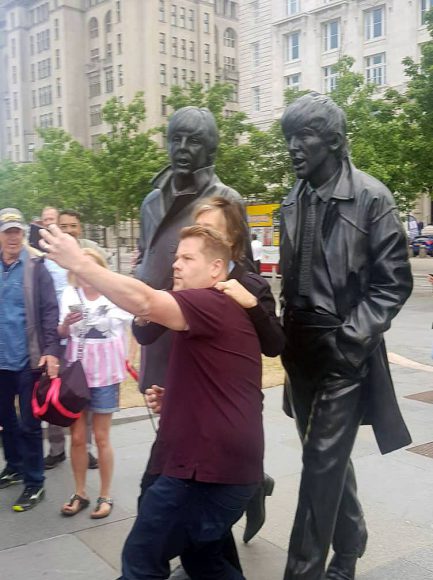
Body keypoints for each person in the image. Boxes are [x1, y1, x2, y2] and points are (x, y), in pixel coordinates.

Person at [40, 223, 264, 579]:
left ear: (216, 269)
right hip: (226, 471)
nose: (176, 265)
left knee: (142, 561)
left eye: (187, 258)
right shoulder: (216, 310)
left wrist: (81, 264)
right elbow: (227, 380)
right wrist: (177, 398)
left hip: (205, 473)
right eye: (176, 258)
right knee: (206, 563)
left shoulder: (210, 301)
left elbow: (143, 300)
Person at [279, 93, 413, 580]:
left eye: (304, 137)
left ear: (333, 141)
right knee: (326, 458)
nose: (293, 148)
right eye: (288, 138)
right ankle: (351, 539)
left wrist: (349, 341)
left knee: (318, 466)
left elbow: (394, 283)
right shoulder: (292, 197)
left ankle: (303, 572)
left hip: (343, 350)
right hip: (299, 351)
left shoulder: (372, 198)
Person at [134, 196, 285, 578]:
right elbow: (147, 332)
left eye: (212, 228)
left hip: (226, 417)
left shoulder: (249, 283)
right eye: (198, 224)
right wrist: (145, 306)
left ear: (231, 239)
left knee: (192, 522)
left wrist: (252, 305)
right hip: (185, 408)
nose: (202, 234)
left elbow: (275, 345)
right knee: (189, 524)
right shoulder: (187, 273)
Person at [134, 105, 252, 393]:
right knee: (165, 426)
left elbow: (244, 271)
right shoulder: (151, 201)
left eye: (194, 141)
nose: (183, 148)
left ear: (210, 150)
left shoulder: (225, 200)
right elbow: (143, 253)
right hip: (155, 331)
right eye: (177, 139)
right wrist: (139, 278)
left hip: (199, 336)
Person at [58, 248, 131, 519]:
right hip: (77, 375)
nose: (85, 273)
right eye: (80, 267)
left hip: (107, 373)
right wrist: (66, 322)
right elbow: (61, 333)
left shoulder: (114, 293)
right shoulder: (69, 293)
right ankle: (80, 493)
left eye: (91, 267)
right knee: (77, 437)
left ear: (99, 268)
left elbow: (130, 327)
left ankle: (105, 495)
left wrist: (128, 359)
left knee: (101, 437)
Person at [0, 208, 60, 512]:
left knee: (29, 424)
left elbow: (51, 311)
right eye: (7, 231)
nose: (13, 237)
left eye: (17, 231)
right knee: (5, 422)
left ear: (23, 234)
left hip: (28, 360)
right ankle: (14, 466)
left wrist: (51, 350)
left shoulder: (36, 266)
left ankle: (35, 483)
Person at [41, 206, 98, 471]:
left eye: (72, 226)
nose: (68, 230)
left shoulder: (89, 259)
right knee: (54, 394)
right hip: (56, 338)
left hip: (84, 342)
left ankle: (84, 449)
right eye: (62, 226)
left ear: (80, 229)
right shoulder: (45, 261)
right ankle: (56, 449)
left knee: (80, 396)